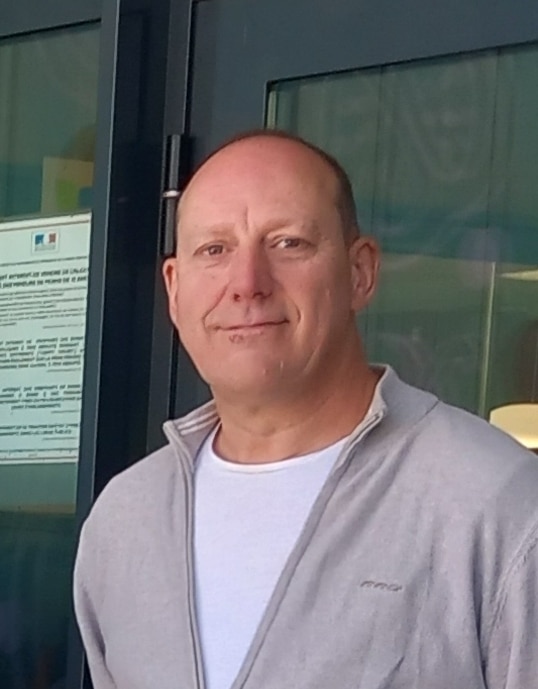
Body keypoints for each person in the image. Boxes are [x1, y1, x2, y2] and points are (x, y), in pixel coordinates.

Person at [73, 130, 538, 689]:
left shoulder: (497, 504)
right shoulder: (125, 520)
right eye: (214, 250)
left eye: (288, 243)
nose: (247, 284)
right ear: (175, 289)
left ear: (360, 272)